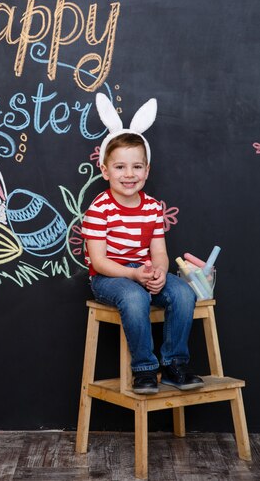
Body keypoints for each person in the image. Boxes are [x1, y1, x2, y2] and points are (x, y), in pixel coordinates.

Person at [81, 94, 203, 394]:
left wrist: (159, 271)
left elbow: (158, 251)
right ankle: (145, 370)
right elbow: (99, 261)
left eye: (137, 167)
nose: (129, 174)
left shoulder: (151, 207)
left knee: (184, 294)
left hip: (142, 270)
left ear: (147, 171)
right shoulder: (99, 209)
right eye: (120, 167)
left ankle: (174, 364)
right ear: (105, 170)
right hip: (109, 277)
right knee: (135, 299)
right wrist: (133, 275)